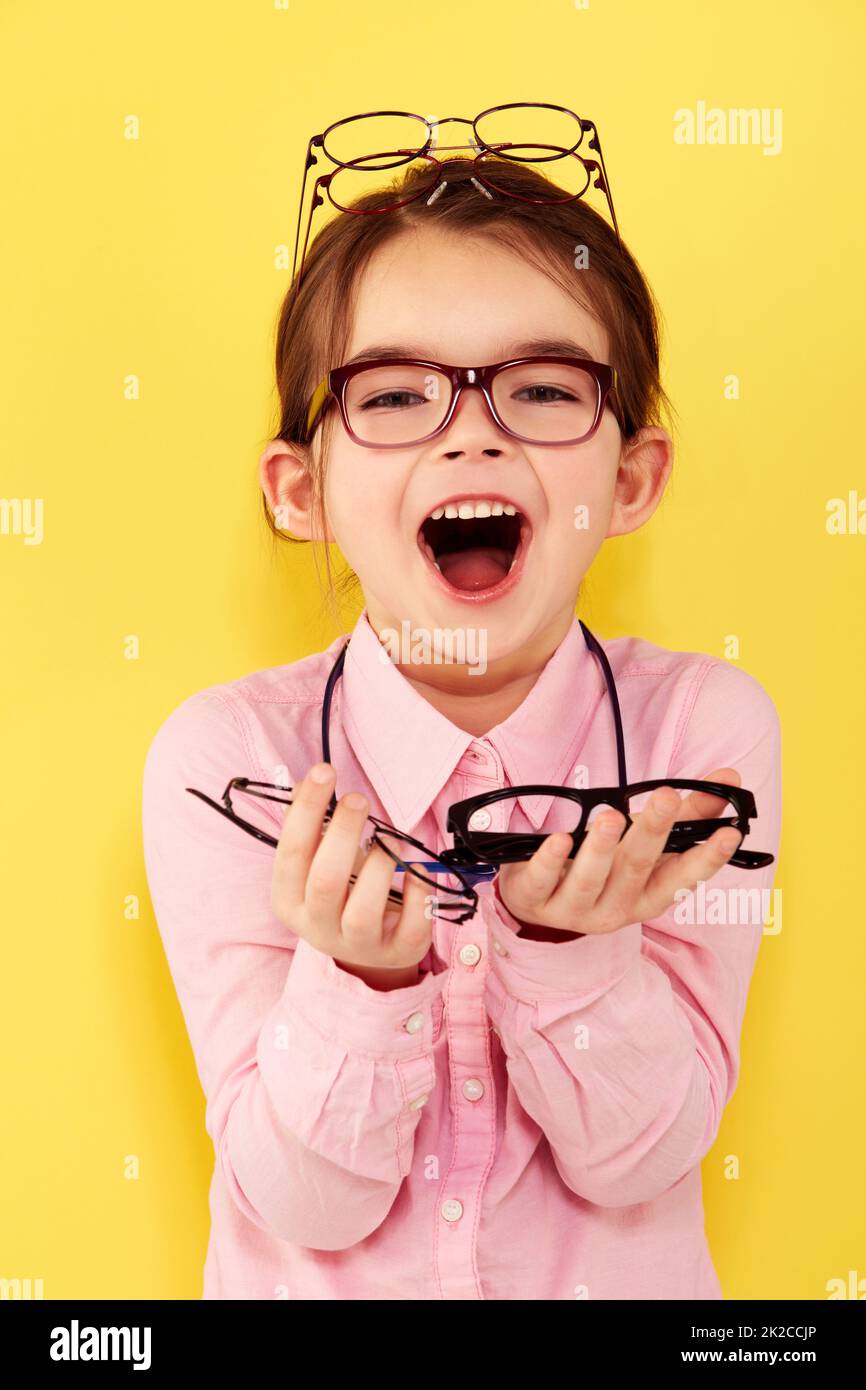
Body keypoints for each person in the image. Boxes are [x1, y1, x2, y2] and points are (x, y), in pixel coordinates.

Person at [142, 146, 782, 1300]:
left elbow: (641, 1159)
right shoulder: (226, 759)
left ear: (630, 477)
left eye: (541, 389)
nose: (470, 434)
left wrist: (574, 954)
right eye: (393, 395)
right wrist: (360, 983)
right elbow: (299, 1202)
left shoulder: (701, 729)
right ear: (301, 492)